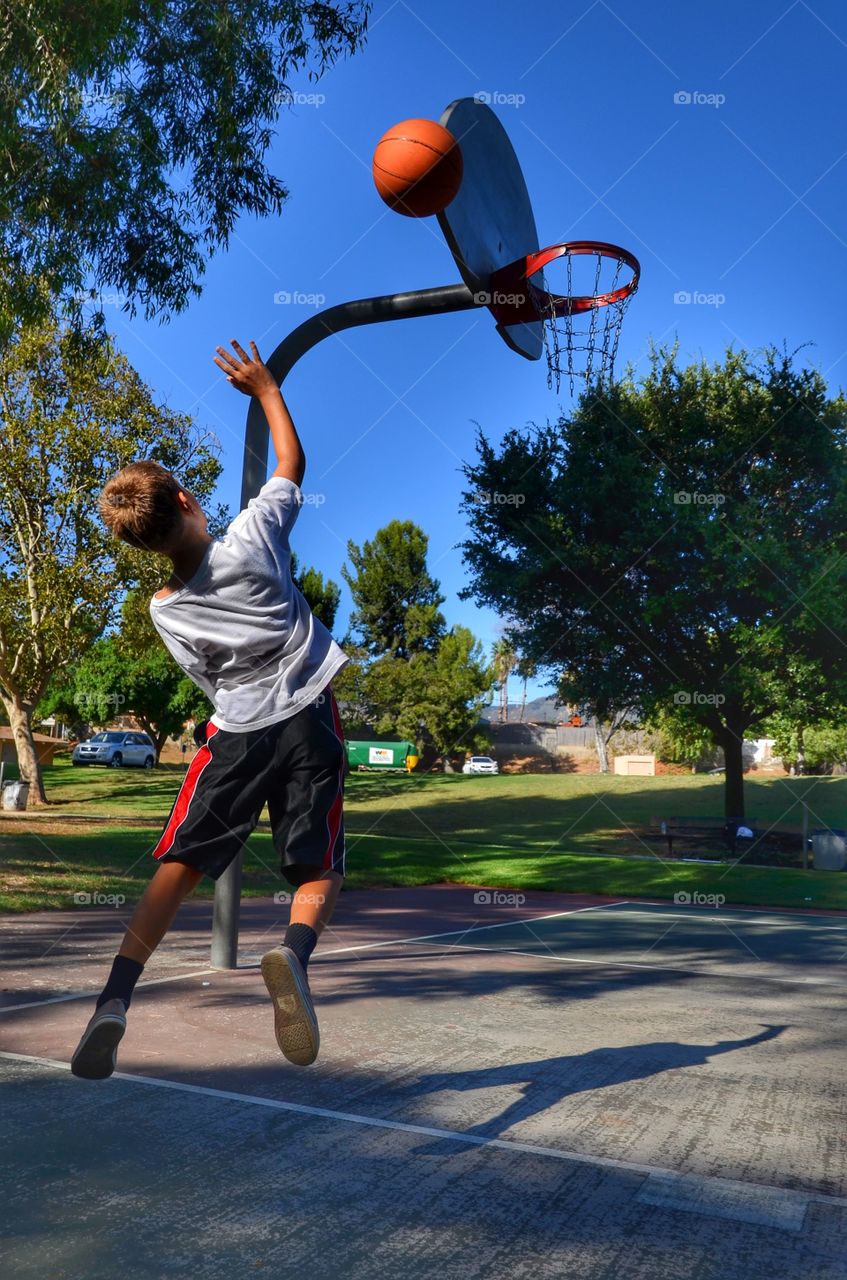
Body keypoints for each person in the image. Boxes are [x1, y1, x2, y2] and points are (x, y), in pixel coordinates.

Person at [71, 340, 347, 1079]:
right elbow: (291, 465)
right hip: (309, 716)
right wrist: (264, 389)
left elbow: (206, 678)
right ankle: (291, 955)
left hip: (235, 734)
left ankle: (113, 1000)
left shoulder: (165, 608)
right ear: (188, 501)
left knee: (180, 865)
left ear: (141, 544)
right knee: (317, 868)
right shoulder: (254, 540)